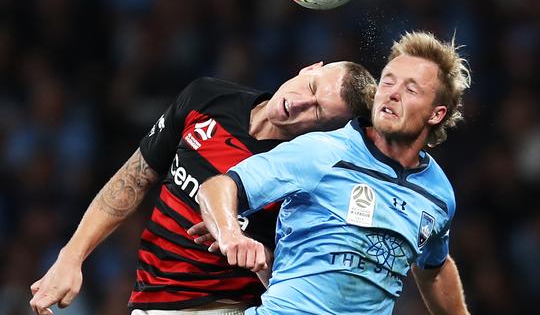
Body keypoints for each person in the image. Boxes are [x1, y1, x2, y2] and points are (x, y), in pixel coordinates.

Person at [29, 61, 377, 315]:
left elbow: (301, 294)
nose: (300, 103)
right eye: (313, 88)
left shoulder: (306, 178)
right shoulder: (207, 97)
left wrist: (258, 259)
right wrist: (71, 258)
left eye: (317, 112)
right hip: (148, 299)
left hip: (221, 308)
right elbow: (133, 178)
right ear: (309, 68)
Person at [198, 31, 472, 315]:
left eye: (411, 90)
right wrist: (230, 233)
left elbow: (434, 270)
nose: (392, 93)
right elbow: (219, 186)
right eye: (388, 81)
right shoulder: (321, 152)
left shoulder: (438, 194)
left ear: (436, 114)